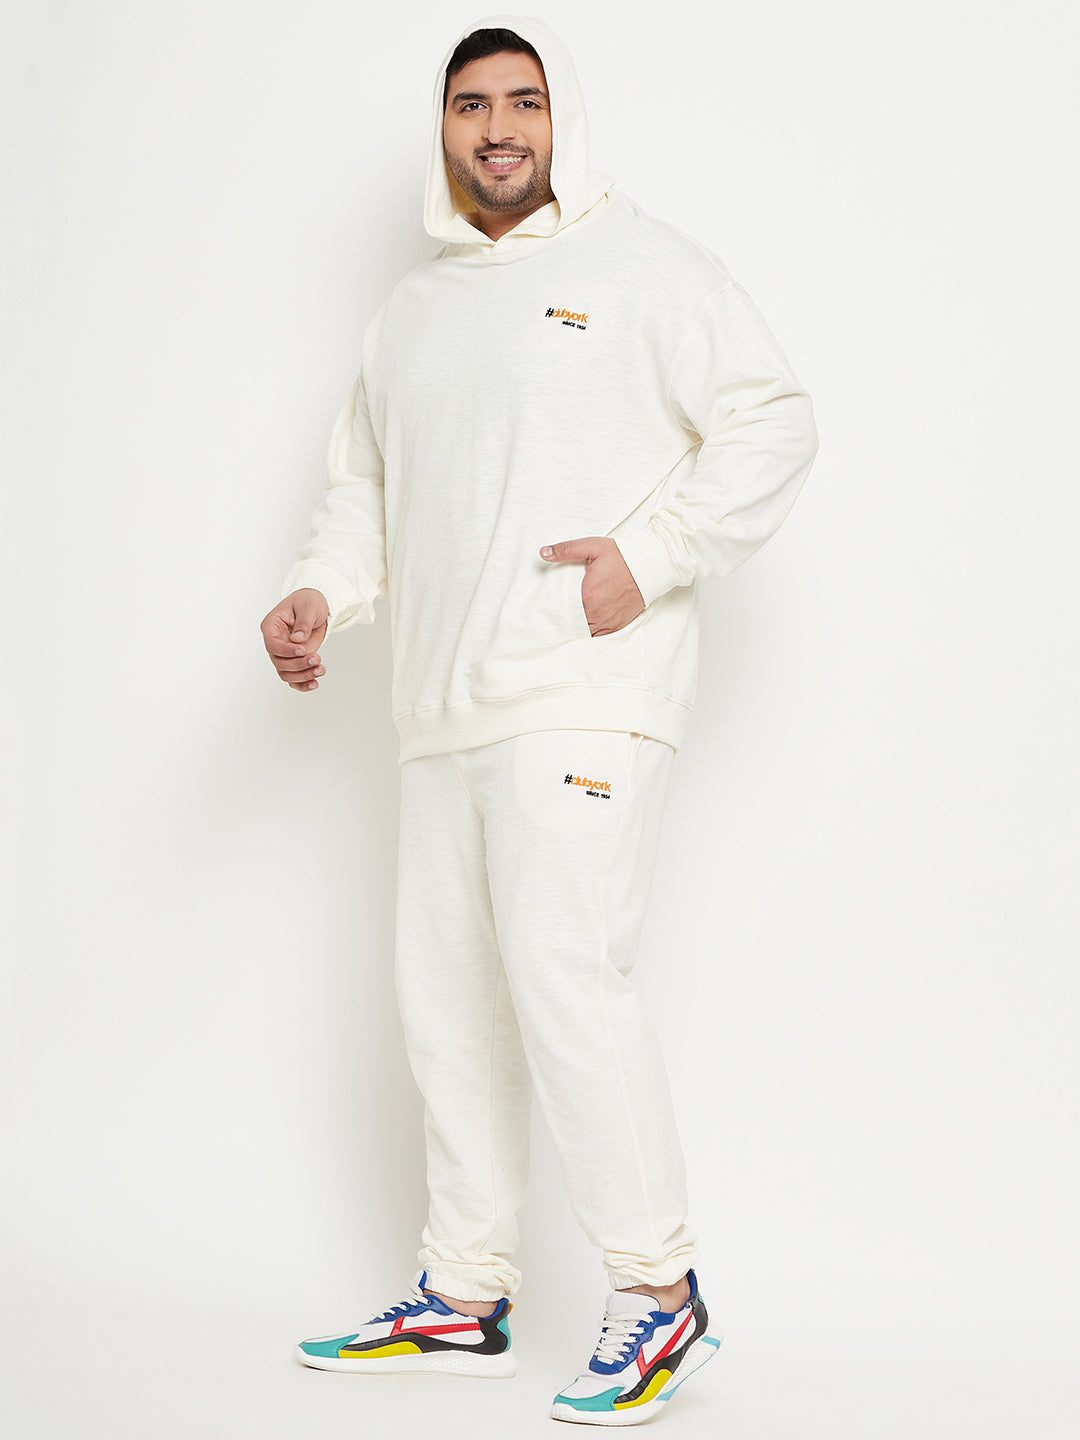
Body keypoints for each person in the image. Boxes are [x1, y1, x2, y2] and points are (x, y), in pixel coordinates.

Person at [261, 13, 818, 1426]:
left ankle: (660, 1294)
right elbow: (366, 493)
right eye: (472, 105)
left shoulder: (641, 264)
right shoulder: (410, 313)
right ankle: (466, 1292)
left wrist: (653, 556)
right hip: (440, 711)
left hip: (582, 692)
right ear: (443, 128)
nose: (499, 128)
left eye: (523, 102)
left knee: (567, 981)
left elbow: (772, 417)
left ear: (559, 121)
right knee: (448, 1007)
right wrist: (322, 592)